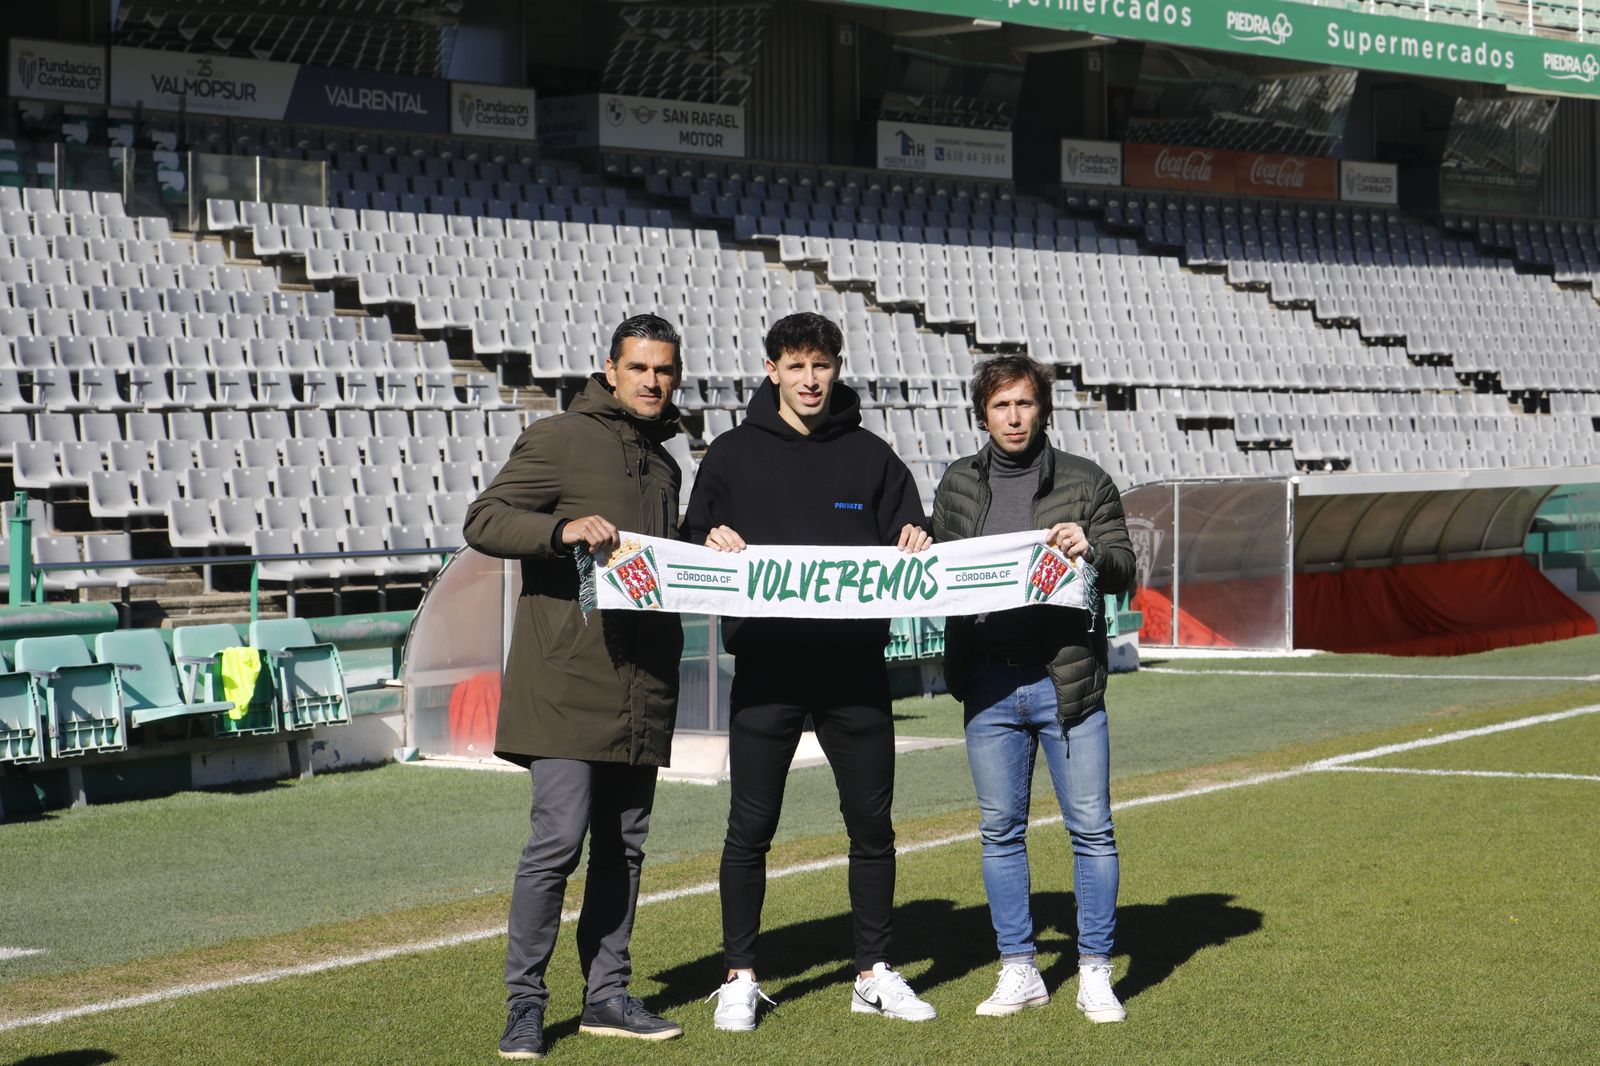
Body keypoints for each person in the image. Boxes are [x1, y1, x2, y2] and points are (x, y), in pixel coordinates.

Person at [683, 311, 938, 1031]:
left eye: (821, 364)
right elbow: (689, 542)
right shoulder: (731, 455)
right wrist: (708, 538)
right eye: (795, 366)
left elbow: (914, 536)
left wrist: (918, 536)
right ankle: (739, 975)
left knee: (871, 825)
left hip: (855, 670)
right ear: (772, 372)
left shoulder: (872, 455)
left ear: (836, 368)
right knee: (750, 827)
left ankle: (873, 970)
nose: (809, 379)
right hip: (766, 669)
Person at [463, 314, 688, 1059]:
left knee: (624, 848)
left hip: (643, 682)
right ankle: (524, 1005)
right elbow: (485, 519)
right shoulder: (559, 437)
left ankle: (607, 996)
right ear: (611, 369)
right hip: (564, 680)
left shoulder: (666, 464)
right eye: (641, 368)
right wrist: (559, 533)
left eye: (665, 370)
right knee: (557, 841)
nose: (654, 382)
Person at [929, 354, 1136, 1024]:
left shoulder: (1085, 481)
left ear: (1042, 408)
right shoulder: (958, 483)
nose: (1013, 418)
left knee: (1092, 832)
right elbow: (940, 569)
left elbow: (1124, 567)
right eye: (1000, 406)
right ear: (981, 414)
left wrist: (1094, 549)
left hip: (1065, 682)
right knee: (999, 832)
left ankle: (1095, 971)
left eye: (1024, 404)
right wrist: (915, 544)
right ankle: (1019, 969)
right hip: (988, 685)